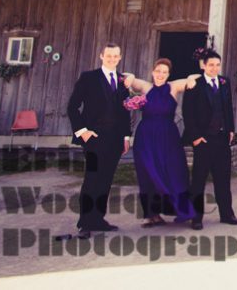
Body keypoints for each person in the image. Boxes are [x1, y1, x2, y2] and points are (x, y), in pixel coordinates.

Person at [123, 59, 201, 226]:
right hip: (146, 136)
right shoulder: (146, 87)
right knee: (147, 174)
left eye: (164, 72)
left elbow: (197, 77)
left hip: (168, 136)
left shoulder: (173, 87)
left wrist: (191, 78)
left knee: (175, 172)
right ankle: (150, 215)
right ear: (153, 72)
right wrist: (130, 77)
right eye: (158, 71)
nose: (160, 75)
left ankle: (182, 209)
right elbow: (127, 76)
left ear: (168, 74)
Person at [67, 42, 132, 235]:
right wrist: (82, 131)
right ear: (101, 56)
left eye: (115, 56)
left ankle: (98, 219)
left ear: (120, 58)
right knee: (92, 179)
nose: (112, 59)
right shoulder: (88, 78)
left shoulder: (122, 80)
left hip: (115, 139)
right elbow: (72, 107)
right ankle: (85, 223)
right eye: (108, 55)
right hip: (94, 137)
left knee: (106, 179)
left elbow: (125, 111)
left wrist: (126, 136)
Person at [181, 48, 237, 229]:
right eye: (211, 65)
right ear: (204, 66)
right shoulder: (195, 84)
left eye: (217, 65)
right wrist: (195, 137)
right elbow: (187, 112)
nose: (215, 68)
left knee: (223, 179)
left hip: (221, 139)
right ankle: (196, 217)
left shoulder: (224, 82)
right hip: (203, 140)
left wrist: (230, 129)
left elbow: (228, 108)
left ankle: (227, 214)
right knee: (199, 180)